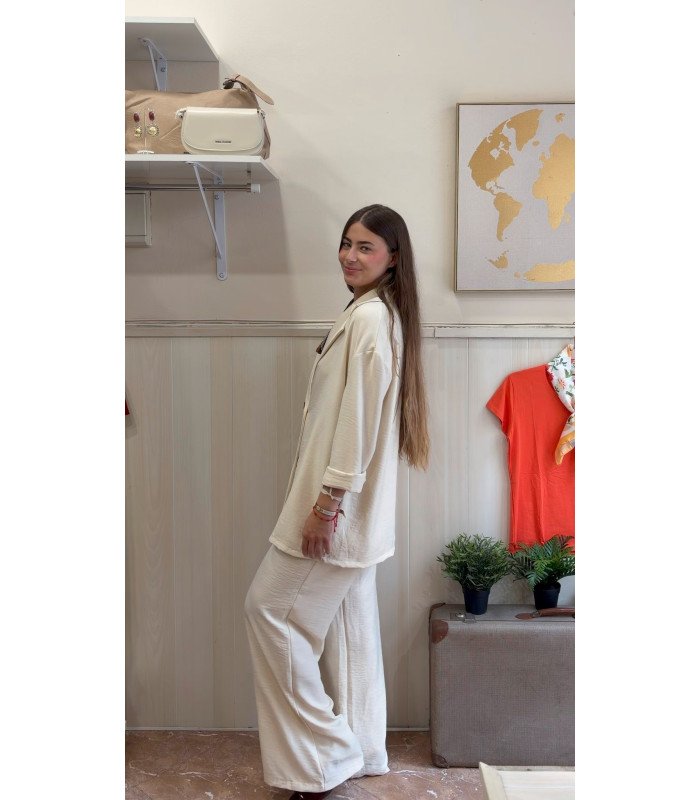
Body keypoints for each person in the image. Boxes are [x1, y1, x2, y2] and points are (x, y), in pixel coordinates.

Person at [244, 204, 430, 799]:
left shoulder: (372, 319)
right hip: (357, 514)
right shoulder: (372, 313)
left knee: (270, 613)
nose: (350, 255)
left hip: (338, 512)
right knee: (352, 630)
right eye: (347, 243)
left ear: (392, 258)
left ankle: (323, 758)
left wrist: (327, 507)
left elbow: (358, 424)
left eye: (365, 247)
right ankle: (364, 750)